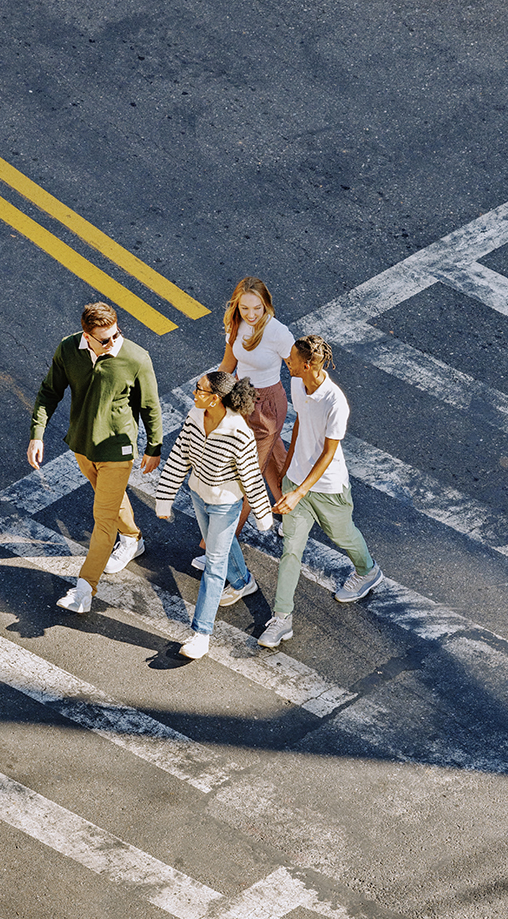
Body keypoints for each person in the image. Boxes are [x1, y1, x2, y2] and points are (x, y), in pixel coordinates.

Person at [27, 301, 162, 615]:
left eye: (116, 335)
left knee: (103, 520)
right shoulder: (68, 351)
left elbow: (150, 407)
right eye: (105, 339)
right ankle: (133, 538)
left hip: (118, 450)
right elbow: (49, 392)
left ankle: (84, 590)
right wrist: (37, 434)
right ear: (86, 336)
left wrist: (154, 446)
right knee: (110, 500)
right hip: (83, 446)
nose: (113, 343)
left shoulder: (136, 358)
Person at [258, 336, 382, 649]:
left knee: (343, 537)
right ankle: (281, 618)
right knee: (291, 550)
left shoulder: (335, 401)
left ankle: (368, 571)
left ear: (309, 364)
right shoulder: (299, 385)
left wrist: (299, 492)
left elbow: (328, 454)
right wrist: (288, 467)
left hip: (327, 489)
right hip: (297, 482)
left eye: (291, 361)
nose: (287, 363)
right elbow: (300, 418)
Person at [154, 370, 273, 659]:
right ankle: (244, 582)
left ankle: (201, 634)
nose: (194, 393)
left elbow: (251, 477)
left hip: (225, 503)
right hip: (198, 494)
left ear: (216, 399)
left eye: (200, 390)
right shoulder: (195, 417)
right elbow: (179, 457)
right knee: (219, 544)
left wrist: (261, 514)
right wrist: (164, 500)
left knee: (215, 564)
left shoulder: (239, 432)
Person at [190, 277, 294, 565]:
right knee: (273, 459)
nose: (251, 314)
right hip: (240, 399)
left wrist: (310, 406)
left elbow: (296, 368)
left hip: (268, 408)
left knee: (245, 475)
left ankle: (218, 550)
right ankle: (293, 513)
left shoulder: (277, 332)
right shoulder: (235, 325)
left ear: (266, 305)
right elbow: (227, 365)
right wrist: (211, 397)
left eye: (257, 308)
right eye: (245, 307)